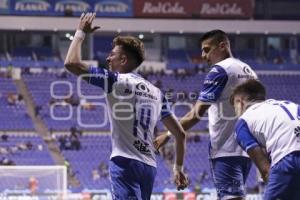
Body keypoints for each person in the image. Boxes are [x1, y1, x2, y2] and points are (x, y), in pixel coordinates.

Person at [64, 12, 188, 199]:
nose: (107, 59)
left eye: (112, 55)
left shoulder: (116, 81)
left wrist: (80, 32)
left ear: (123, 60)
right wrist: (178, 169)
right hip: (149, 166)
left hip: (125, 162)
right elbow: (180, 134)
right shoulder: (157, 92)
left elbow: (71, 63)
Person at [154, 29, 257, 200]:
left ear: (222, 46)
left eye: (207, 49)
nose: (203, 55)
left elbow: (196, 114)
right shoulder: (249, 71)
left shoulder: (220, 70)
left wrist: (167, 134)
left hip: (225, 150)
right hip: (246, 152)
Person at [231, 79, 300, 200]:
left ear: (240, 102)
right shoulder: (289, 104)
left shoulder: (243, 122)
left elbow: (265, 169)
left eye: (234, 106)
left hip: (288, 159)